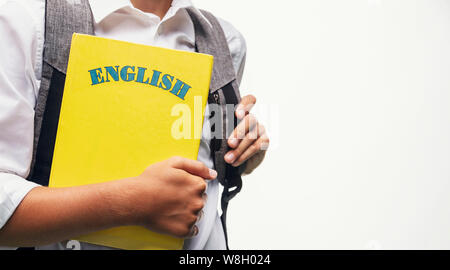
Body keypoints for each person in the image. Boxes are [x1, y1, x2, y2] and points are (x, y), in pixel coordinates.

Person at [0, 0, 269, 250]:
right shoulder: (28, 20)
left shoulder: (223, 39)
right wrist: (130, 203)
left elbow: (203, 151)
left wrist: (243, 150)